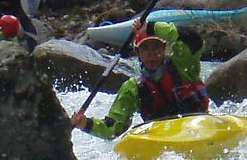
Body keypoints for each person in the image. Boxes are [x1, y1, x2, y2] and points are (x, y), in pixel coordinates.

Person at [71, 21, 208, 139]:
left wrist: (151, 27)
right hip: (163, 140)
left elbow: (193, 39)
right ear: (138, 53)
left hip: (199, 129)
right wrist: (86, 124)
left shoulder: (183, 65)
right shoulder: (133, 88)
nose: (151, 54)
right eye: (145, 49)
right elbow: (113, 128)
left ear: (164, 48)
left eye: (156, 47)